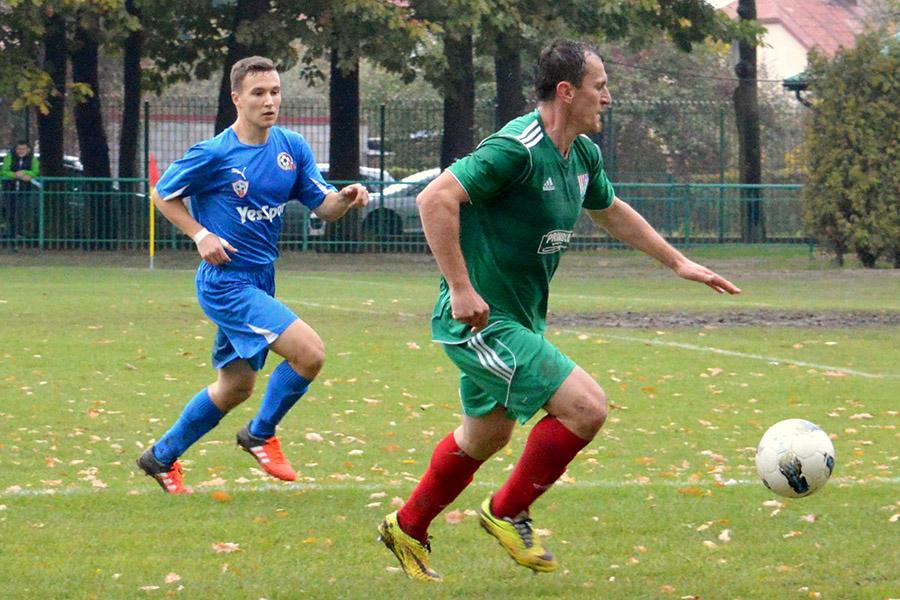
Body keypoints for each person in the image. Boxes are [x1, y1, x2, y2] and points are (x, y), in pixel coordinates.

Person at [378, 40, 741, 582]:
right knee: (587, 407)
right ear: (567, 92)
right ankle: (506, 512)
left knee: (486, 437)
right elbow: (436, 199)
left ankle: (406, 526)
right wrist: (460, 287)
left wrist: (678, 262)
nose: (608, 98)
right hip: (481, 321)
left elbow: (610, 211)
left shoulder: (582, 155)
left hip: (518, 319)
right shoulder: (516, 148)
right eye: (600, 86)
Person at [136, 56, 369, 494]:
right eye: (259, 93)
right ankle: (259, 434)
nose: (269, 101)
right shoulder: (215, 153)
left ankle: (160, 458)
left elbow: (325, 207)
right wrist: (200, 234)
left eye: (275, 92)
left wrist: (347, 196)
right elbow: (161, 193)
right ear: (236, 98)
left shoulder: (291, 148)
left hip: (261, 279)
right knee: (310, 353)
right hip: (225, 282)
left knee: (235, 386)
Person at [0, 140, 40, 244]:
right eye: (19, 149)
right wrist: (15, 175)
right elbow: (4, 171)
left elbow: (35, 172)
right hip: (9, 190)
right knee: (10, 213)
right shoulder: (9, 157)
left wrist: (25, 173)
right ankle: (11, 237)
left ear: (28, 150)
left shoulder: (33, 159)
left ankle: (21, 236)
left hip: (25, 191)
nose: (21, 151)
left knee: (23, 213)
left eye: (23, 149)